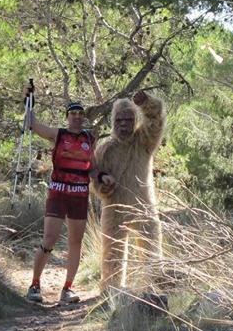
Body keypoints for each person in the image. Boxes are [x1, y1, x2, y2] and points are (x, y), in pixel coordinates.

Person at [25, 98, 114, 304]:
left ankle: (67, 289)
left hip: (80, 196)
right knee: (49, 239)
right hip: (58, 193)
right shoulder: (59, 134)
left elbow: (91, 167)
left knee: (76, 242)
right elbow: (34, 125)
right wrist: (28, 102)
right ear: (67, 117)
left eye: (80, 114)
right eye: (73, 114)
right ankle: (35, 284)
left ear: (84, 117)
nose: (77, 117)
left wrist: (101, 177)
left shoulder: (89, 138)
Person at [91, 90, 165, 292]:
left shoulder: (144, 141)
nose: (124, 124)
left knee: (152, 251)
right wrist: (102, 187)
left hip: (144, 205)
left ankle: (154, 291)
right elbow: (95, 178)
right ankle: (111, 292)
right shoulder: (105, 149)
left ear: (135, 120)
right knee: (112, 252)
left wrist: (146, 102)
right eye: (119, 120)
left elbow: (156, 118)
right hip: (114, 206)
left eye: (128, 119)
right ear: (113, 121)